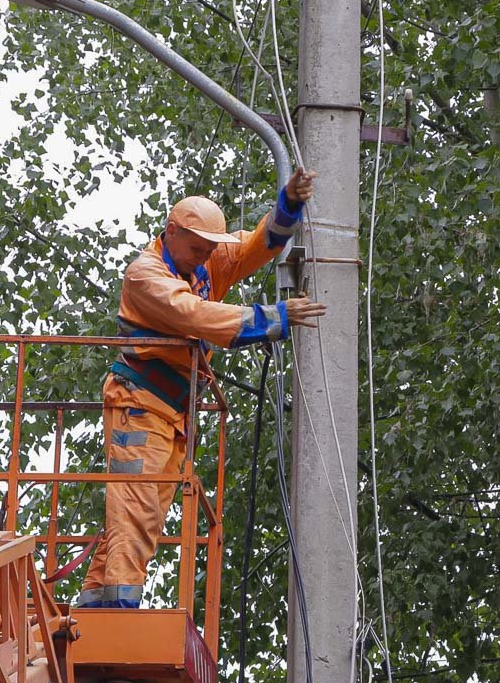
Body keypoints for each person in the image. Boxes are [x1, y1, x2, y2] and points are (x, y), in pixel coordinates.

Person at [78, 168, 326, 608]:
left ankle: (97, 601)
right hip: (140, 403)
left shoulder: (201, 262)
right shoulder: (145, 276)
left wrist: (288, 203)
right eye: (196, 248)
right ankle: (117, 613)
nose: (203, 257)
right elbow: (195, 315)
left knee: (141, 515)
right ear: (171, 232)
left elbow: (255, 247)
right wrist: (274, 318)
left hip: (172, 412)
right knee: (138, 511)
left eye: (209, 249)